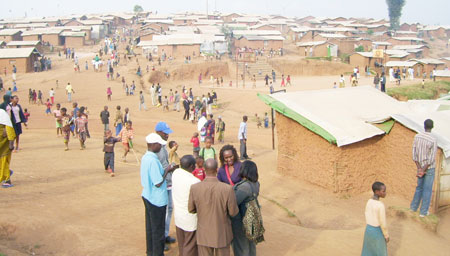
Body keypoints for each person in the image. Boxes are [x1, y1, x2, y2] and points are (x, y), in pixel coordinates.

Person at [188, 159, 239, 256]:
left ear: (204, 169)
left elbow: (191, 209)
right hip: (222, 233)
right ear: (217, 169)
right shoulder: (227, 189)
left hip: (204, 233)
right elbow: (233, 212)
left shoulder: (195, 188)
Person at [141, 133, 175, 256]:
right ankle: (157, 253)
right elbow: (158, 182)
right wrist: (167, 170)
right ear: (153, 145)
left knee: (150, 227)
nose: (161, 147)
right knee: (158, 229)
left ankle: (150, 251)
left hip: (147, 195)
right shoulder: (153, 161)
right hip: (157, 199)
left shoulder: (146, 157)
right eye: (159, 145)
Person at [172, 155, 201, 256]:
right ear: (192, 167)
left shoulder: (176, 173)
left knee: (182, 244)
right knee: (190, 247)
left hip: (178, 217)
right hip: (190, 219)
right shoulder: (194, 181)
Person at [154, 122, 177, 248]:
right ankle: (160, 239)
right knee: (162, 212)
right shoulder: (156, 148)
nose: (168, 135)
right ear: (158, 132)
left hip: (168, 181)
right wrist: (168, 170)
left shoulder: (162, 146)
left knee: (169, 209)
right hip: (162, 182)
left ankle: (165, 234)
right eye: (165, 132)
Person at [232, 160, 261, 256]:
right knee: (251, 244)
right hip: (253, 219)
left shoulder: (244, 187)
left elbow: (234, 202)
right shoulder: (256, 184)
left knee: (241, 246)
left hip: (242, 220)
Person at [410, 119, 437, 217]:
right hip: (429, 168)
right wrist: (424, 170)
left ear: (424, 126)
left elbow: (414, 154)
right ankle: (423, 212)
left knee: (419, 188)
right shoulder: (433, 139)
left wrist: (420, 169)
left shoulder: (417, 137)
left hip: (419, 166)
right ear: (432, 127)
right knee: (427, 189)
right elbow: (431, 158)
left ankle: (413, 207)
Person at [361, 182, 389, 256]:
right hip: (377, 231)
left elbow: (366, 213)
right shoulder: (380, 205)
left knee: (368, 251)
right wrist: (386, 235)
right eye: (383, 191)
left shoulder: (369, 202)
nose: (385, 193)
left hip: (368, 230)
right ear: (377, 192)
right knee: (380, 251)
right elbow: (383, 222)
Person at [0, 109, 16, 188]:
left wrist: (11, 143)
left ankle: (7, 180)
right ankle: (7, 173)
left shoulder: (2, 114)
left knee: (4, 162)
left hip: (4, 145)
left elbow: (9, 128)